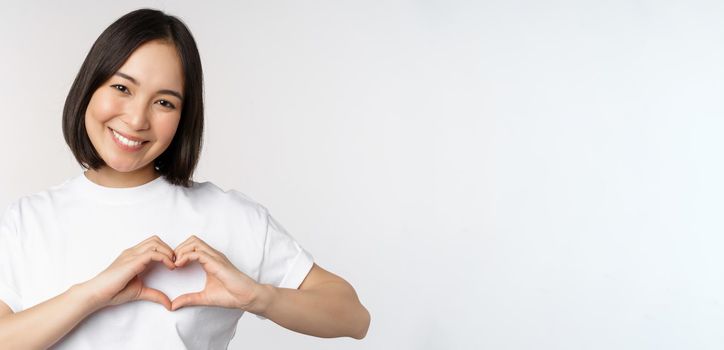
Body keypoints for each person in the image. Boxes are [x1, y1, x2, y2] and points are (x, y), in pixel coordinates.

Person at [0, 8, 370, 349]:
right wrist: (91, 294)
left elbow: (354, 317)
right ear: (89, 87)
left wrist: (258, 297)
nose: (137, 119)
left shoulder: (227, 215)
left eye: (164, 102)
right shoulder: (25, 222)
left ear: (184, 117)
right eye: (122, 87)